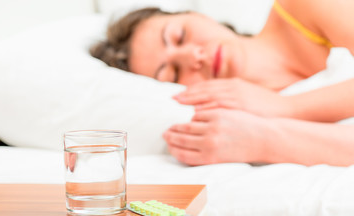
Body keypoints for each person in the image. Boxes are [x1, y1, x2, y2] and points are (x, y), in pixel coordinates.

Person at [90, 0, 354, 166]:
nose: (194, 57)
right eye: (172, 73)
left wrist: (288, 108)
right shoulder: (238, 121)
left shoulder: (304, 7)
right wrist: (266, 140)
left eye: (180, 36)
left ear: (198, 15)